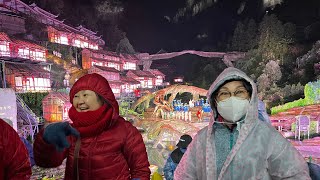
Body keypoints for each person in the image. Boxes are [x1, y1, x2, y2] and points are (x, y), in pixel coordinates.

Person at [174, 67, 311, 180]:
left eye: (239, 92)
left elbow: (296, 174)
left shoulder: (267, 136)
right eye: (224, 93)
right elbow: (183, 176)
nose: (232, 98)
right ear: (215, 100)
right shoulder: (202, 139)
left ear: (250, 96)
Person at [33, 73, 151, 180]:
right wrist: (45, 140)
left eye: (85, 95)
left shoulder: (125, 130)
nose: (80, 101)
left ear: (102, 98)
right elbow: (47, 162)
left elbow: (140, 170)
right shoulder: (71, 131)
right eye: (76, 96)